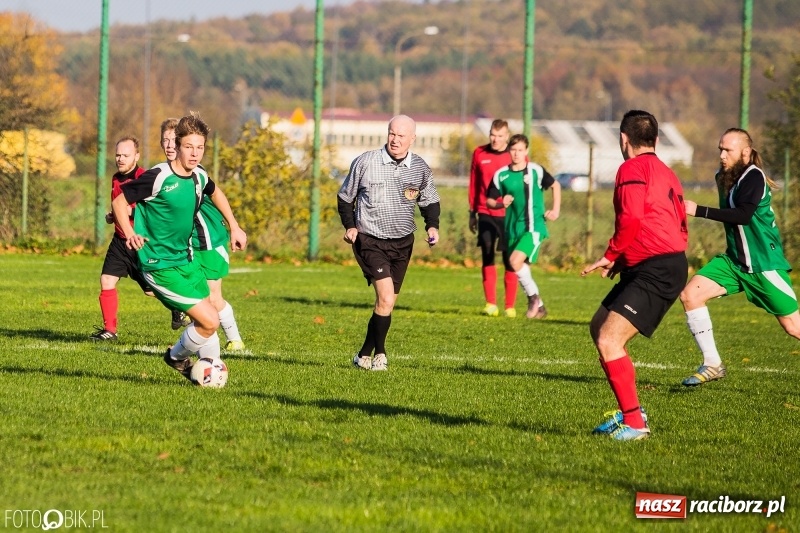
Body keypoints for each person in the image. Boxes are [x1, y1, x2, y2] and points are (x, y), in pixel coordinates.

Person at [112, 113, 247, 380]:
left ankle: (211, 370)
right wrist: (129, 233)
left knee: (208, 317)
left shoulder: (198, 177)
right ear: (177, 145)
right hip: (160, 265)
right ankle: (175, 357)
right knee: (209, 321)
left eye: (200, 147)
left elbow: (215, 192)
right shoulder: (158, 176)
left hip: (187, 260)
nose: (195, 153)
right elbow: (119, 201)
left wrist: (234, 225)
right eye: (189, 147)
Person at [581, 110, 688, 441]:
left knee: (609, 339)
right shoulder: (665, 171)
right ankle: (631, 413)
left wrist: (611, 253)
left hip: (656, 268)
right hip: (654, 263)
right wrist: (625, 259)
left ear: (623, 140)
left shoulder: (632, 168)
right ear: (655, 140)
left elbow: (631, 218)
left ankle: (635, 424)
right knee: (599, 326)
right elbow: (670, 220)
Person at [679, 128, 800, 386]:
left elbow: (743, 215)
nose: (722, 155)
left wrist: (698, 210)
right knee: (691, 295)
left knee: (793, 327)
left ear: (745, 152)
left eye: (728, 150)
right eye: (720, 149)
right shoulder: (722, 176)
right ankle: (712, 364)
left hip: (762, 264)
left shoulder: (753, 176)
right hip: (735, 262)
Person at [337, 114, 440, 371]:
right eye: (391, 133)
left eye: (401, 136)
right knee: (384, 297)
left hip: (403, 242)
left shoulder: (419, 167)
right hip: (370, 240)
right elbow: (344, 197)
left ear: (412, 139)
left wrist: (432, 226)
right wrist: (350, 226)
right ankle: (380, 355)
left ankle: (364, 354)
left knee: (388, 303)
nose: (394, 140)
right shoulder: (366, 162)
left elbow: (429, 200)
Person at [159, 117, 245, 351]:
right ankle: (201, 340)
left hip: (209, 241)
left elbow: (217, 193)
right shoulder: (163, 175)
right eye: (164, 141)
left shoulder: (195, 172)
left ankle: (234, 339)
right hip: (186, 246)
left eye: (171, 140)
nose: (168, 145)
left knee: (213, 299)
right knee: (197, 298)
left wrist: (234, 226)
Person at [89, 136, 185, 341]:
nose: (121, 159)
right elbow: (119, 207)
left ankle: (179, 307)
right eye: (118, 155)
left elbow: (153, 211)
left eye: (126, 155)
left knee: (151, 291)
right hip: (120, 241)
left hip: (141, 243)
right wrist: (112, 215)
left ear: (137, 156)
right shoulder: (116, 178)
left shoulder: (146, 178)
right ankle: (110, 331)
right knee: (106, 280)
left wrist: (128, 213)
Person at [485, 133, 560, 319]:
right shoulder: (501, 175)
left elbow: (556, 185)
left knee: (515, 262)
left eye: (520, 150)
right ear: (509, 150)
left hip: (534, 227)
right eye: (513, 150)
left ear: (526, 151)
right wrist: (501, 203)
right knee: (519, 266)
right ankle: (540, 307)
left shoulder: (535, 171)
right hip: (512, 229)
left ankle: (533, 298)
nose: (517, 154)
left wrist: (555, 210)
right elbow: (489, 201)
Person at [468, 119, 516, 317]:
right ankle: (491, 304)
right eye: (492, 135)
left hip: (509, 215)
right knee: (487, 253)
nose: (495, 139)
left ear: (507, 136)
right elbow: (473, 183)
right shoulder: (479, 153)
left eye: (500, 136)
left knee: (509, 259)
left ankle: (509, 306)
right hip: (485, 211)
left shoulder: (515, 155)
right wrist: (472, 213)